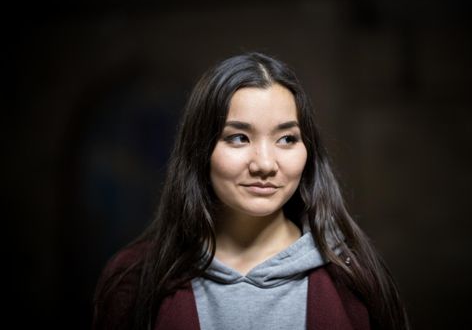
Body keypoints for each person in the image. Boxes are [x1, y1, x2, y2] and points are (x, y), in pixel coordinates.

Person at [92, 52, 410, 330]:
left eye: (286, 138)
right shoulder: (133, 280)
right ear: (200, 150)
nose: (265, 164)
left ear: (307, 151)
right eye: (239, 138)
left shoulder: (355, 280)